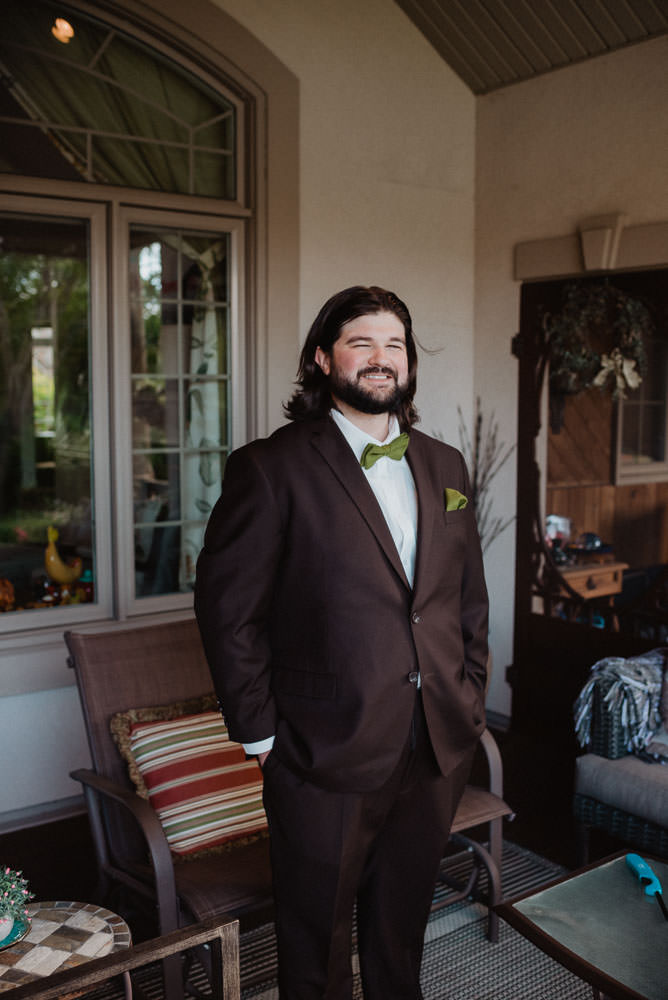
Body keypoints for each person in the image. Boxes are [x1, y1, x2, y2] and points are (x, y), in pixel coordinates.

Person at [194, 285, 489, 1000]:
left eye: (395, 345)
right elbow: (228, 612)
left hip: (435, 741)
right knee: (314, 939)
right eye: (362, 342)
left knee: (401, 929)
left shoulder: (446, 465)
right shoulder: (270, 467)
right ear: (324, 359)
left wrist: (470, 690)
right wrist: (263, 739)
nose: (381, 358)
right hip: (320, 751)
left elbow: (465, 596)